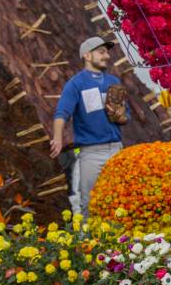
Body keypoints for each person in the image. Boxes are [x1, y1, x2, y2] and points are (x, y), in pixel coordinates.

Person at [51, 36, 127, 219]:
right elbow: (61, 113)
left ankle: (120, 246)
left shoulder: (113, 83)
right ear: (87, 55)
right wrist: (58, 138)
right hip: (91, 153)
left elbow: (125, 119)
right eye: (101, 52)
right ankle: (88, 245)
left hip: (117, 149)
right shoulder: (76, 84)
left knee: (121, 201)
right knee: (89, 203)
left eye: (107, 52)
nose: (106, 56)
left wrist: (118, 115)